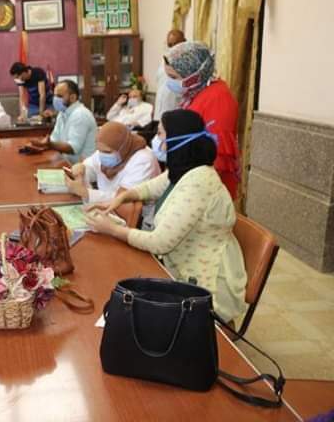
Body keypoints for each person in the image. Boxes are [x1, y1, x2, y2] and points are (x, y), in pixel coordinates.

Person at [85, 110, 247, 322]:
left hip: (205, 288)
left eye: (161, 134)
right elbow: (150, 188)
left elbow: (159, 242)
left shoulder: (199, 183)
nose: (156, 139)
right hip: (178, 268)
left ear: (177, 140)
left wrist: (113, 229)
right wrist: (121, 198)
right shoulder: (185, 170)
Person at [163, 41, 240, 199]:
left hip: (207, 189)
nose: (169, 82)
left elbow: (217, 155)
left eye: (173, 77)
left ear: (194, 75)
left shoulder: (218, 98)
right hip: (192, 180)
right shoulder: (195, 93)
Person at [66, 121, 160, 228]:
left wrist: (87, 193)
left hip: (136, 223)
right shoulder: (108, 148)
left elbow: (125, 200)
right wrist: (81, 170)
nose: (102, 155)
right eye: (99, 150)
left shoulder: (143, 160)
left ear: (122, 148)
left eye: (107, 152)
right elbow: (91, 166)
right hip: (108, 211)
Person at [28, 80, 97, 164]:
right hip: (66, 162)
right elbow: (54, 139)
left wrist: (49, 145)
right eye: (54, 95)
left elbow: (73, 148)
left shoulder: (80, 114)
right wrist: (40, 145)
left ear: (73, 97)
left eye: (59, 96)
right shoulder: (62, 113)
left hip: (83, 168)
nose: (55, 99)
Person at [154, 29, 186, 121]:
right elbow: (160, 84)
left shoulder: (187, 61)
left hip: (175, 111)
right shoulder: (164, 60)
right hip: (159, 112)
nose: (172, 48)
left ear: (183, 42)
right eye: (170, 45)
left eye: (175, 44)